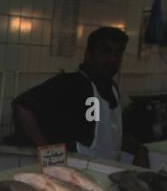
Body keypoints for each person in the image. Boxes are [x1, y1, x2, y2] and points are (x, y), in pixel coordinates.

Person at [11, 26, 148, 165]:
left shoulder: (111, 88)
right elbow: (23, 107)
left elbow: (109, 137)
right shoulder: (72, 83)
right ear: (88, 54)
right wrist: (49, 154)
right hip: (76, 172)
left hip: (106, 172)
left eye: (118, 53)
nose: (112, 59)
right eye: (105, 52)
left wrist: (139, 150)